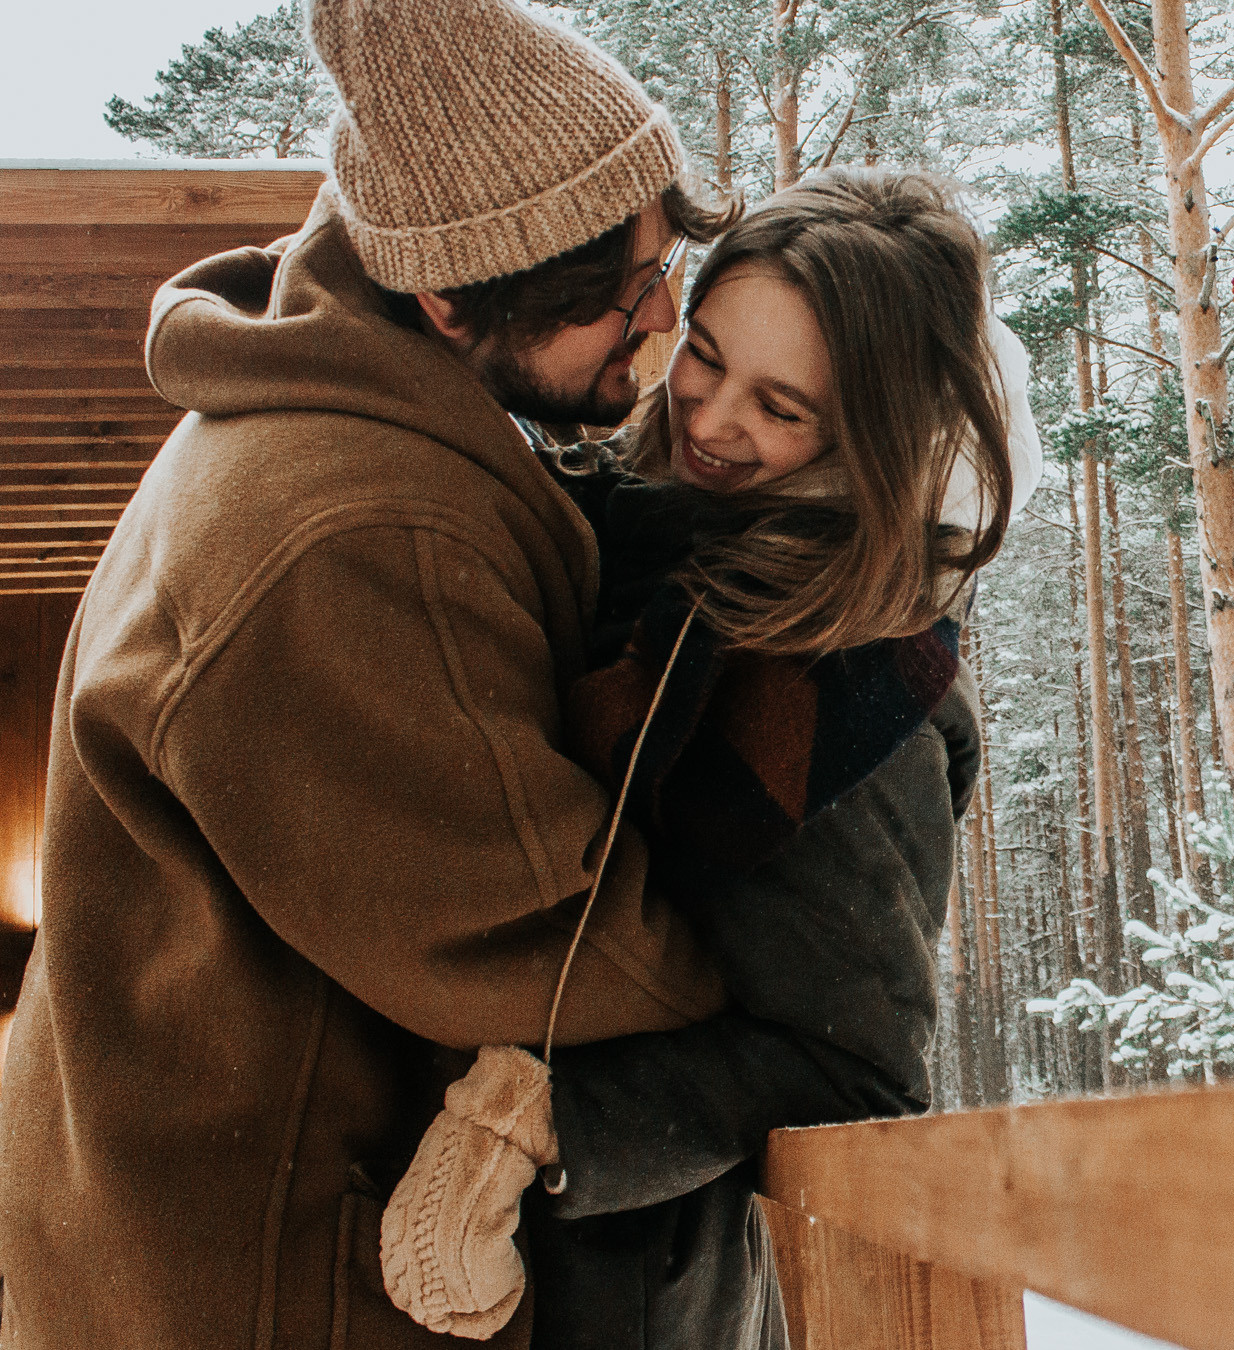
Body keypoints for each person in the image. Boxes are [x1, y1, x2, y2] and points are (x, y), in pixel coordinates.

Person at [0, 1, 738, 1346]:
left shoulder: (339, 396)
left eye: (666, 264)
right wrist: (799, 993)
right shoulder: (352, 535)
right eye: (620, 302)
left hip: (178, 1230)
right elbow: (542, 938)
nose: (664, 322)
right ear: (449, 298)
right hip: (265, 1278)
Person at [376, 168, 1041, 1349]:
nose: (714, 419)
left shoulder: (843, 682)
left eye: (783, 408)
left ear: (872, 436)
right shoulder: (640, 533)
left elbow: (860, 1073)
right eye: (707, 353)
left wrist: (545, 1120)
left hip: (619, 1288)